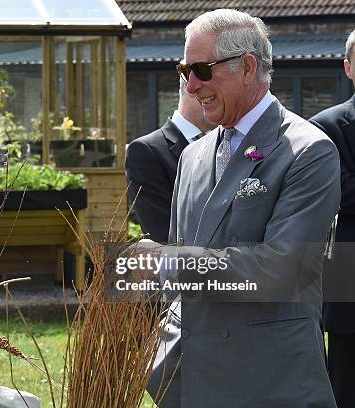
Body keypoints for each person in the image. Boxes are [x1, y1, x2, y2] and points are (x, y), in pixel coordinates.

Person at [140, 9, 340, 407]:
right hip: (192, 383)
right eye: (184, 70)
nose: (191, 86)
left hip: (268, 384)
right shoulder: (193, 156)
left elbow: (280, 270)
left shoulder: (308, 150)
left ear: (248, 67)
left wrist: (167, 263)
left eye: (201, 69)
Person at [310, 28, 355, 408]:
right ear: (348, 68)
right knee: (346, 377)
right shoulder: (326, 127)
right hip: (350, 271)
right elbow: (341, 193)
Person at [126, 76, 215, 243]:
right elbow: (163, 236)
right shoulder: (146, 151)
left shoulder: (225, 143)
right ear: (192, 89)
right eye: (213, 96)